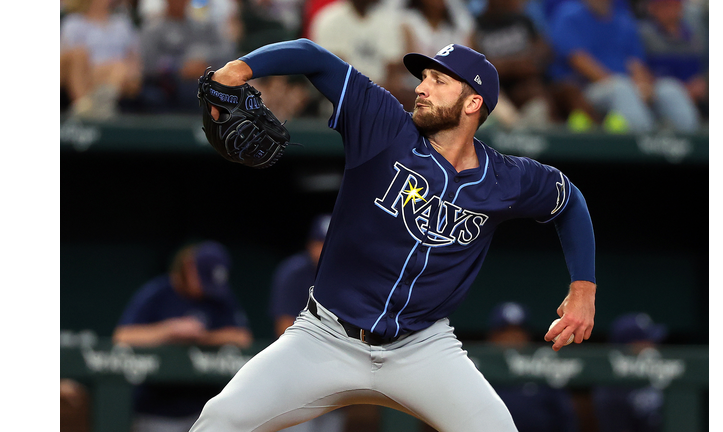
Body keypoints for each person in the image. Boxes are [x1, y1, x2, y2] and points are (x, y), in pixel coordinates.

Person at [191, 38, 596, 432]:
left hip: (422, 348)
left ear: (473, 103)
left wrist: (583, 288)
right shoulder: (383, 126)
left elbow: (569, 202)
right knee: (220, 420)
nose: (421, 87)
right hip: (327, 337)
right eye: (424, 78)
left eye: (439, 81)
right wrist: (238, 69)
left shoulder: (507, 178)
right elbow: (313, 56)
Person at [113, 240, 252, 432]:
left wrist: (202, 337)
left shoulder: (219, 297)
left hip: (204, 410)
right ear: (189, 266)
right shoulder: (158, 293)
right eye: (203, 278)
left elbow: (242, 337)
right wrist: (169, 330)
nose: (206, 288)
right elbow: (123, 336)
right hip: (156, 411)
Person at [547, 0, 700, 132]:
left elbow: (635, 62)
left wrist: (643, 86)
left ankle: (694, 151)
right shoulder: (569, 15)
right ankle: (645, 147)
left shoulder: (622, 18)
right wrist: (621, 84)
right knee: (621, 88)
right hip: (587, 89)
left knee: (669, 88)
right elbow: (578, 59)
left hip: (627, 87)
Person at [268, 214, 348, 432]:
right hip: (299, 373)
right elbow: (283, 329)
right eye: (319, 243)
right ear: (309, 245)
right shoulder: (292, 272)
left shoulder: (348, 275)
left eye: (329, 243)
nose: (323, 249)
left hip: (335, 376)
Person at [472, 0, 601, 130]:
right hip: (507, 90)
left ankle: (598, 137)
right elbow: (479, 66)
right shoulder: (476, 27)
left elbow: (544, 49)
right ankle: (555, 140)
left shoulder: (522, 20)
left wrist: (532, 61)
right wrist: (515, 66)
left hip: (538, 79)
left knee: (570, 90)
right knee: (534, 92)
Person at [487, 302, 579, 432]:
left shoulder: (543, 369)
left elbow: (565, 419)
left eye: (518, 332)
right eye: (505, 332)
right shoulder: (479, 371)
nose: (512, 338)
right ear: (493, 337)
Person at [138, 0, 233, 112]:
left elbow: (226, 51)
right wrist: (180, 67)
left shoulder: (202, 26)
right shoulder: (153, 29)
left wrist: (204, 63)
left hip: (200, 81)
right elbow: (149, 63)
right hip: (165, 85)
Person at [60, 0, 143, 119]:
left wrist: (133, 74)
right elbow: (68, 61)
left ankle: (95, 105)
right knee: (80, 54)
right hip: (84, 74)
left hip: (119, 78)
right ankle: (85, 106)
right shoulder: (73, 23)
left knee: (120, 69)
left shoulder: (123, 24)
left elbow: (134, 58)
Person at [592, 313, 668, 432]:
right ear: (629, 346)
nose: (654, 346)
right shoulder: (611, 388)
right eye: (647, 341)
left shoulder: (661, 372)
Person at [638, 0, 708, 121]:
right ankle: (690, 136)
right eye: (664, 6)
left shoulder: (696, 34)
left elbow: (706, 66)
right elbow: (640, 69)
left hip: (697, 93)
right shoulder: (644, 34)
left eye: (674, 5)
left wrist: (703, 82)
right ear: (653, 8)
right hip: (661, 91)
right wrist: (683, 90)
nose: (670, 10)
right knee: (669, 91)